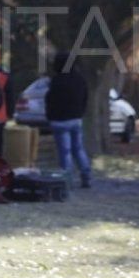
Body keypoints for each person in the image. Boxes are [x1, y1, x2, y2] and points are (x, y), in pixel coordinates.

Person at [44, 52, 91, 188]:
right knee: (79, 148)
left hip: (60, 120)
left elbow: (50, 100)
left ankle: (67, 179)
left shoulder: (56, 81)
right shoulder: (79, 80)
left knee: (65, 151)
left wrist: (49, 116)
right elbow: (85, 98)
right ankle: (85, 174)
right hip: (76, 118)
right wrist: (81, 112)